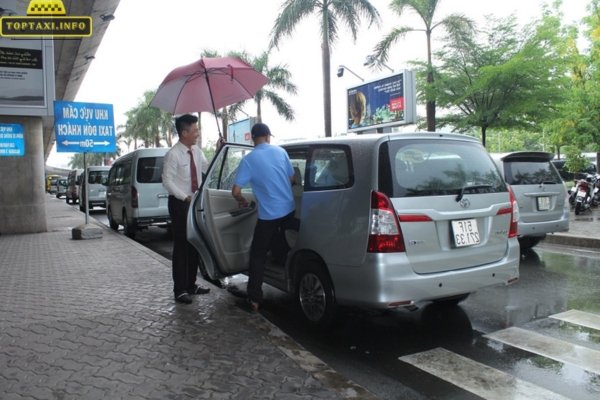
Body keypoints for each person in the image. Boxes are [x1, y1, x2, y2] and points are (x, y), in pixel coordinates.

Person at [231, 122, 296, 312]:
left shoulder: (248, 160)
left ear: (253, 139)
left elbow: (235, 191)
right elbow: (292, 179)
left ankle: (254, 299)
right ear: (268, 136)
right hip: (289, 210)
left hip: (269, 216)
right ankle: (289, 274)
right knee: (281, 242)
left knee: (257, 255)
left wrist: (242, 200)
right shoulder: (281, 152)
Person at [162, 114, 211, 304]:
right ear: (184, 133)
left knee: (194, 244)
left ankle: (191, 284)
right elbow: (167, 181)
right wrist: (185, 197)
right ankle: (180, 289)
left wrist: (220, 150)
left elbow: (208, 168)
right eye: (195, 130)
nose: (197, 133)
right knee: (182, 247)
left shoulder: (197, 151)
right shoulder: (173, 154)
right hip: (180, 203)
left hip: (195, 202)